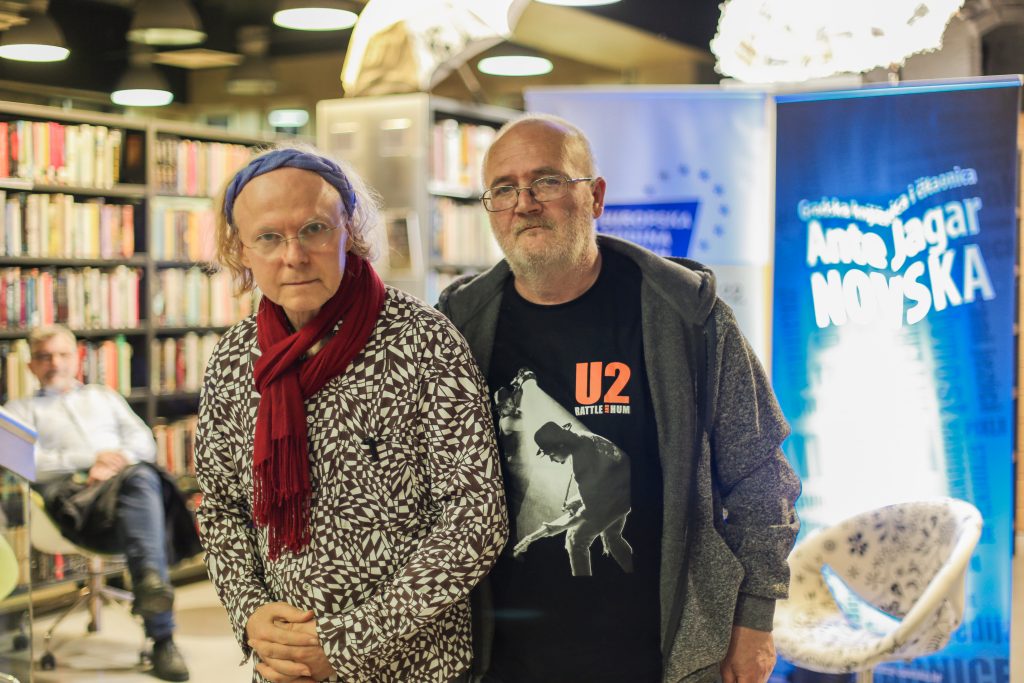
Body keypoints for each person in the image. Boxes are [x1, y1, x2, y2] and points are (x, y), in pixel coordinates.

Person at [437, 114, 802, 683]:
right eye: (503, 189)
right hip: (500, 660)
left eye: (547, 181)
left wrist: (755, 619)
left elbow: (761, 477)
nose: (524, 203)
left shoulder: (687, 317)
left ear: (596, 196)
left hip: (660, 657)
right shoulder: (458, 328)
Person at [194, 144, 507, 683]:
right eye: (268, 237)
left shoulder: (423, 341)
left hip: (415, 667)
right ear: (240, 250)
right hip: (286, 667)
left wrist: (345, 644)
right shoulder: (233, 358)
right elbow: (222, 506)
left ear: (351, 231)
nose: (293, 255)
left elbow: (476, 519)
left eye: (314, 229)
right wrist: (251, 614)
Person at [4, 324, 198, 682]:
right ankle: (160, 629)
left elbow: (144, 442)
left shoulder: (103, 397)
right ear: (31, 365)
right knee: (143, 483)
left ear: (77, 358)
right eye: (44, 357)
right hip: (72, 504)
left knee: (140, 475)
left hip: (122, 494)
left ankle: (155, 603)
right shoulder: (16, 410)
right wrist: (91, 459)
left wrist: (114, 463)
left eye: (62, 354)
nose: (55, 363)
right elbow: (24, 462)